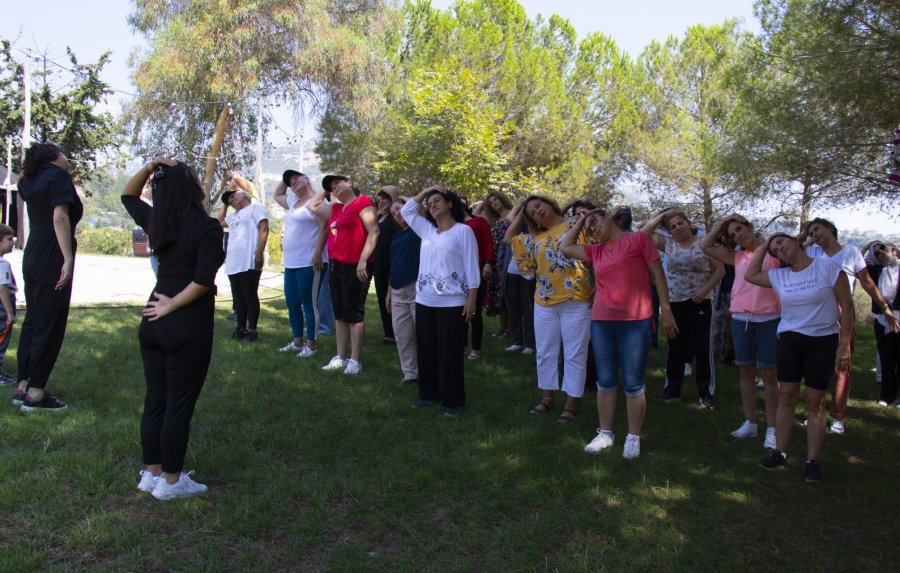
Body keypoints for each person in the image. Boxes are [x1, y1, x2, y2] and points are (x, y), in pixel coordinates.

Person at [122, 156, 225, 499]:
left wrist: (152, 167)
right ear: (193, 188)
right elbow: (201, 281)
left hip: (152, 321)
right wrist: (173, 304)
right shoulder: (206, 227)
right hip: (184, 323)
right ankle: (171, 481)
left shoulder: (157, 221)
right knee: (178, 403)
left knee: (156, 399)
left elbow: (128, 196)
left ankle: (151, 473)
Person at [561, 208, 677, 458]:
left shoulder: (638, 239)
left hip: (636, 321)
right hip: (602, 322)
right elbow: (565, 246)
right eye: (589, 229)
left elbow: (658, 274)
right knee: (605, 380)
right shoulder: (596, 251)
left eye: (596, 222)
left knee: (634, 382)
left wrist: (665, 309)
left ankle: (633, 437)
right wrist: (582, 221)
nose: (594, 229)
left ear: (609, 217)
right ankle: (605, 433)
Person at [746, 233, 853, 483]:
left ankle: (812, 461)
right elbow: (751, 275)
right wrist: (765, 245)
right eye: (775, 250)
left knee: (815, 402)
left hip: (822, 341)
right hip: (790, 341)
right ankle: (780, 453)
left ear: (797, 241)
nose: (779, 249)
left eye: (782, 242)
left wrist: (845, 343)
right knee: (786, 396)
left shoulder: (827, 267)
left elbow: (847, 306)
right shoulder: (780, 276)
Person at [801, 217, 898, 433]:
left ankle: (838, 416)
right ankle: (816, 412)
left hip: (842, 311)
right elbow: (788, 248)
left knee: (841, 366)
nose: (815, 235)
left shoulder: (850, 252)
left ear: (830, 228)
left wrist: (884, 308)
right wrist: (806, 239)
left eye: (817, 229)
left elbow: (867, 283)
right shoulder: (811, 252)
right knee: (817, 366)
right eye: (811, 232)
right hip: (815, 312)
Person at [504, 195, 593, 423]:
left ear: (550, 203)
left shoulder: (576, 224)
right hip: (544, 301)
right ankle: (547, 397)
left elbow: (596, 252)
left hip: (577, 298)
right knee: (545, 352)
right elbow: (508, 238)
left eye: (538, 205)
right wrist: (522, 212)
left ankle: (571, 402)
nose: (537, 211)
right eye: (532, 212)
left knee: (575, 353)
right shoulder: (535, 238)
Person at [13, 142, 82, 412]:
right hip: (52, 253)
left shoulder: (29, 180)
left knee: (33, 320)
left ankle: (23, 385)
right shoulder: (59, 176)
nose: (66, 157)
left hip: (33, 252)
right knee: (50, 322)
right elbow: (60, 219)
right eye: (64, 153)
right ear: (55, 157)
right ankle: (36, 393)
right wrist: (67, 258)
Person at [702, 214, 780, 448]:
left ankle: (773, 429)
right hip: (740, 318)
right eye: (733, 235)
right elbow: (706, 245)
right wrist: (723, 221)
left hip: (769, 319)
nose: (738, 235)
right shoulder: (737, 257)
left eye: (739, 229)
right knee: (745, 373)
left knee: (769, 375)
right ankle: (750, 423)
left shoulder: (772, 252)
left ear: (749, 226)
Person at [401, 185, 479, 416]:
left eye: (437, 200)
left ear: (450, 204)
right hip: (424, 300)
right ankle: (427, 394)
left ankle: (453, 401)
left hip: (453, 302)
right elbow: (407, 212)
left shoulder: (463, 231)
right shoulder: (427, 230)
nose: (432, 205)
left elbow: (472, 267)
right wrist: (427, 190)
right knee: (426, 350)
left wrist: (471, 299)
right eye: (429, 202)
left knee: (450, 352)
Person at [641, 209, 724, 408]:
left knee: (702, 347)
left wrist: (704, 291)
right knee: (675, 346)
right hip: (675, 302)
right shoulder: (668, 244)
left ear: (688, 223)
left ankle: (706, 394)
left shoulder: (704, 243)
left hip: (701, 301)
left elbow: (720, 270)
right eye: (673, 226)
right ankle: (672, 390)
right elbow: (643, 232)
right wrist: (664, 216)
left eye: (680, 223)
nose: (678, 228)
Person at [308, 178, 379, 374]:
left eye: (338, 183)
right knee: (339, 314)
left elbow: (374, 231)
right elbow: (312, 206)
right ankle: (340, 356)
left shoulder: (362, 202)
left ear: (350, 183)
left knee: (354, 313)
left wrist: (363, 260)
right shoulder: (336, 210)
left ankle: (355, 360)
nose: (335, 188)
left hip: (357, 266)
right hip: (336, 265)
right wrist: (325, 191)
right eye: (332, 187)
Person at [273, 169, 327, 357]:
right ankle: (297, 342)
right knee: (292, 302)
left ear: (307, 179)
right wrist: (285, 179)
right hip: (291, 263)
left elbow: (324, 228)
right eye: (290, 181)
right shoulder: (292, 202)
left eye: (297, 178)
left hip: (309, 262)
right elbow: (277, 195)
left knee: (309, 304)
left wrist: (318, 253)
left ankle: (311, 345)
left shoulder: (319, 201)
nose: (293, 181)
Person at [218, 187, 269, 343]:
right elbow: (219, 223)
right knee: (239, 298)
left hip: (249, 260)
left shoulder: (255, 207)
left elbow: (264, 228)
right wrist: (225, 205)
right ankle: (240, 328)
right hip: (234, 262)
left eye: (233, 196)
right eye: (229, 199)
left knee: (249, 295)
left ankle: (252, 330)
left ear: (245, 194)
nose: (231, 199)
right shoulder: (233, 216)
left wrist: (259, 253)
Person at [386, 197, 421, 385]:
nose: (397, 214)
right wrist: (389, 293)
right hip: (398, 290)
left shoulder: (420, 229)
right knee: (402, 335)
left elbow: (420, 207)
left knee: (423, 334)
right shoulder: (397, 236)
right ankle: (410, 373)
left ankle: (427, 372)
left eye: (399, 209)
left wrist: (407, 203)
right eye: (393, 213)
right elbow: (394, 264)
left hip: (417, 288)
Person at [866, 241, 900, 406]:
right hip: (883, 318)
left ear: (893, 250)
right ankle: (886, 395)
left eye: (883, 249)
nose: (880, 253)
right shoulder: (875, 270)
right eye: (877, 252)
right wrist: (867, 246)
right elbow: (853, 264)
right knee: (887, 358)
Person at [462, 200, 495, 360]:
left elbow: (488, 243)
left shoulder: (478, 222)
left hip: (478, 270)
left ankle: (476, 349)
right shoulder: (452, 227)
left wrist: (488, 263)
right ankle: (462, 346)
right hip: (459, 275)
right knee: (459, 311)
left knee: (475, 312)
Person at [481, 191, 514, 338]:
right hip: (495, 261)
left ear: (502, 199)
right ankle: (503, 328)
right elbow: (475, 215)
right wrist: (483, 202)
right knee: (498, 296)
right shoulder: (493, 219)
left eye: (496, 200)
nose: (494, 203)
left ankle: (511, 329)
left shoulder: (512, 215)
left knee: (508, 296)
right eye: (491, 202)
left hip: (509, 258)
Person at [372, 186, 400, 345]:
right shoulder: (377, 217)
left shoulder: (396, 217)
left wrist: (388, 193)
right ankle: (388, 332)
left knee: (393, 299)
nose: (380, 201)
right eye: (379, 199)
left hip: (393, 262)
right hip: (379, 263)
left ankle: (397, 332)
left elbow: (396, 196)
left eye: (384, 199)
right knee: (382, 297)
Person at [0, 224, 18, 384]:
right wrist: (9, 313)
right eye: (9, 239)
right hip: (3, 305)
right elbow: (2, 289)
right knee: (2, 336)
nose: (12, 242)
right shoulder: (2, 264)